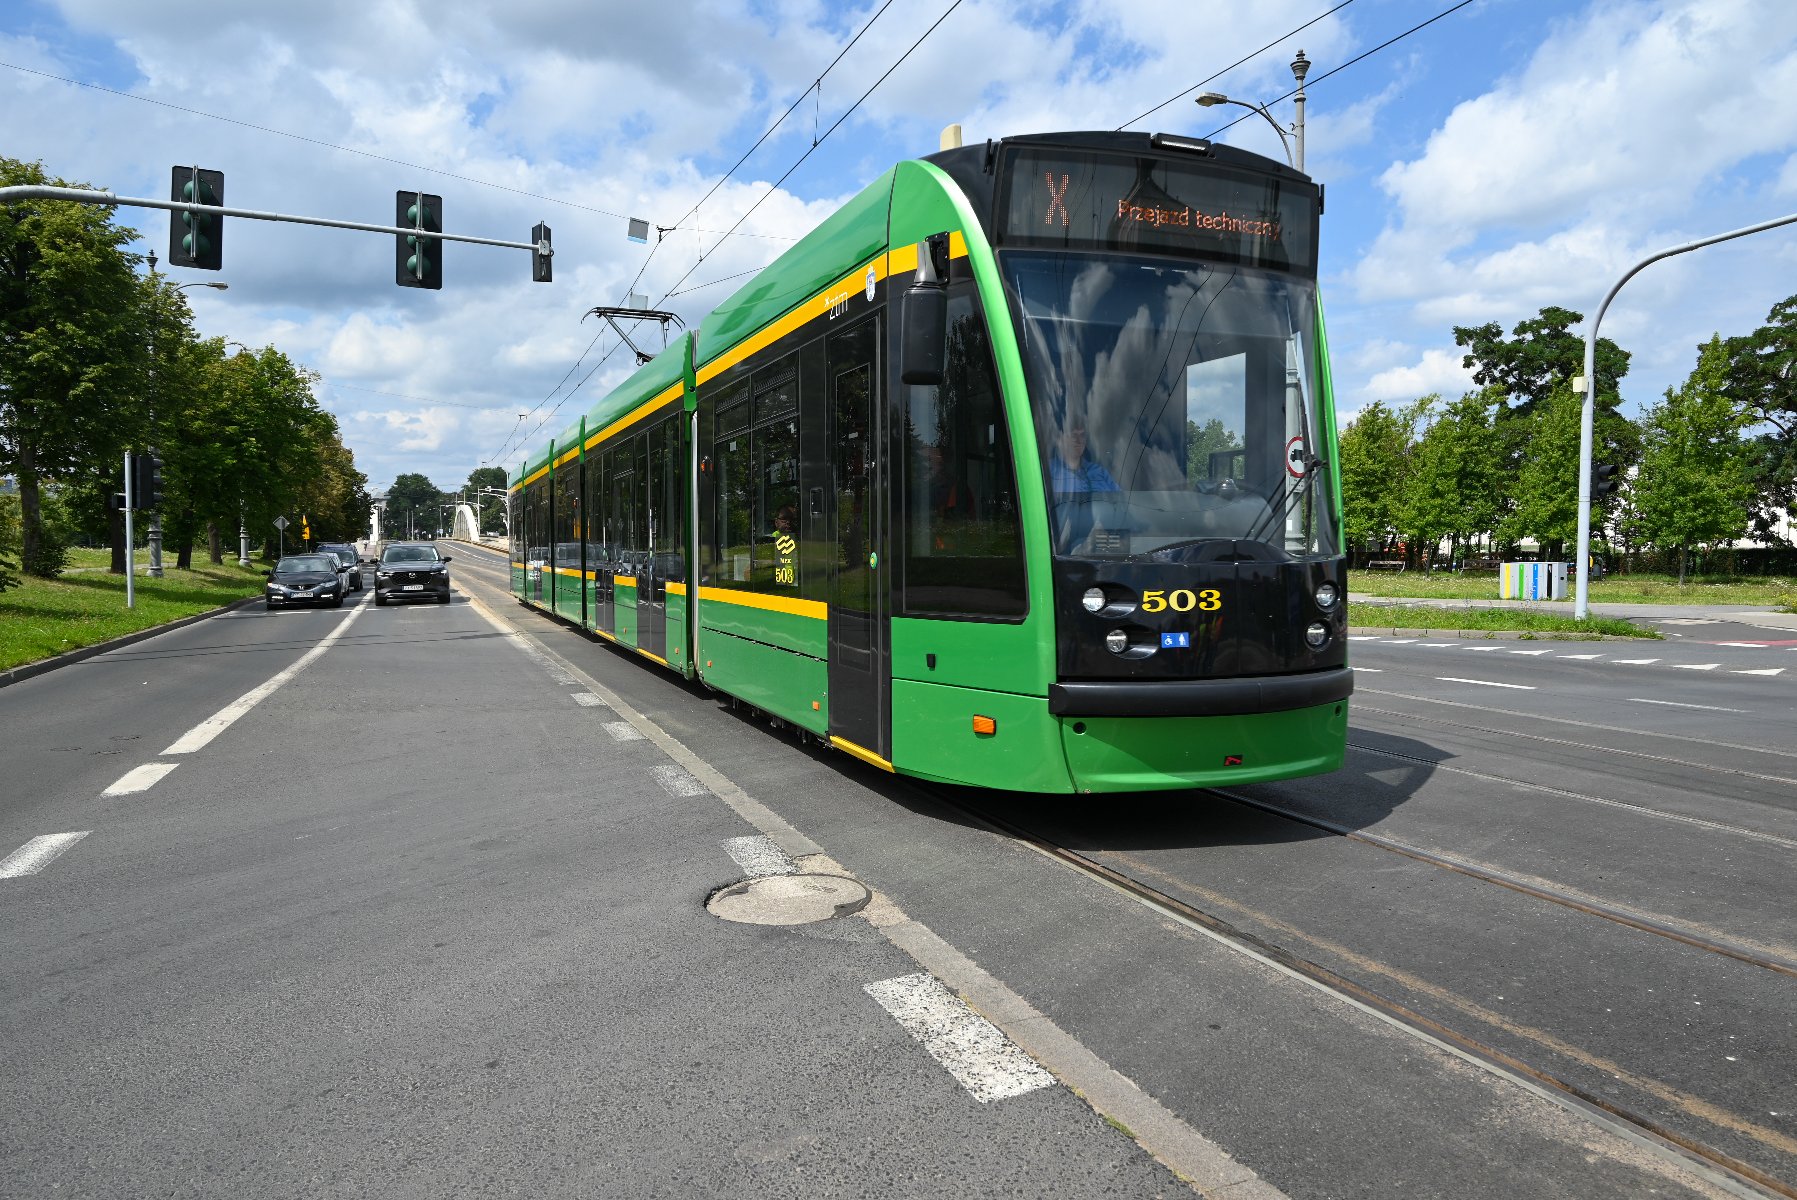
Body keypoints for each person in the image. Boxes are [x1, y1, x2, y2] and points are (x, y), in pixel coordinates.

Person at [1049, 418, 1119, 551]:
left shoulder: (1099, 472)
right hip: (1060, 551)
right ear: (1058, 440)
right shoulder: (1047, 471)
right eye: (1073, 435)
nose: (1078, 440)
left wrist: (1112, 530)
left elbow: (1122, 505)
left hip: (1102, 549)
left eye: (1082, 435)